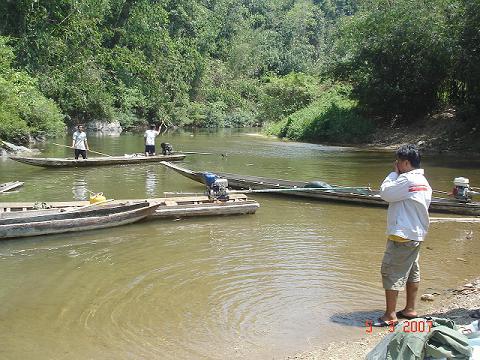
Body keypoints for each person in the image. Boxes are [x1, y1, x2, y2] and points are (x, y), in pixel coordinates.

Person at [374, 144, 432, 327]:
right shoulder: (423, 181)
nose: (396, 164)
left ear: (405, 163)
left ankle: (389, 316)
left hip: (403, 235)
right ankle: (410, 309)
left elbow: (385, 193)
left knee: (391, 271)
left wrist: (393, 174)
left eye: (398, 161)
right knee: (412, 271)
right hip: (416, 233)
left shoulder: (406, 180)